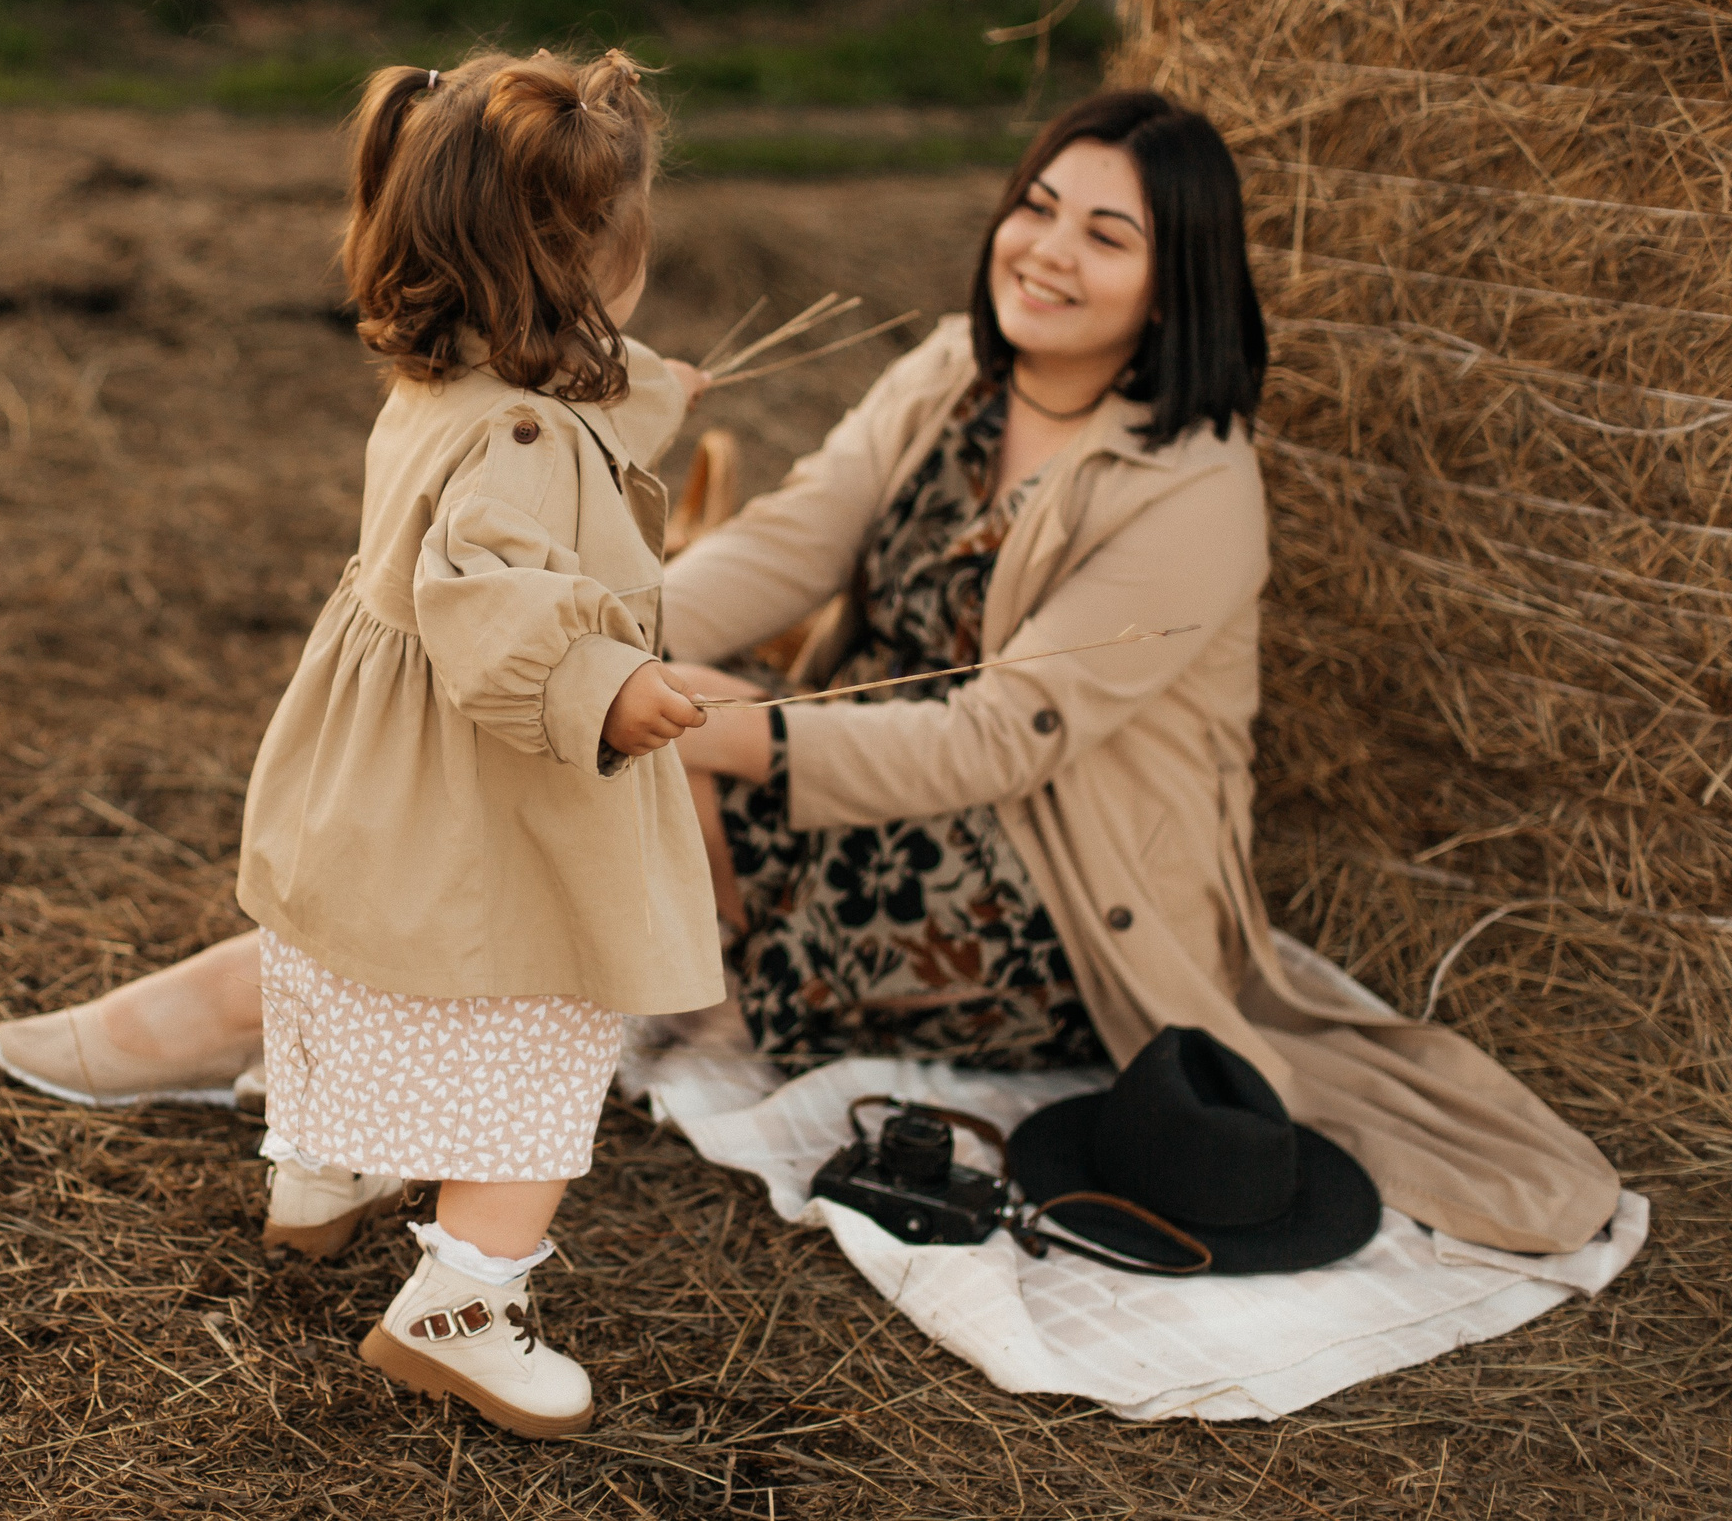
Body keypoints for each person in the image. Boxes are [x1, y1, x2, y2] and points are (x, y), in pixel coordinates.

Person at [661, 90, 1617, 1255]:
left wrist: (715, 730)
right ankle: (699, 930)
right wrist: (602, 636)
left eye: (1106, 238)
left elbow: (998, 740)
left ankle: (708, 950)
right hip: (863, 753)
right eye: (1038, 207)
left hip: (1051, 867)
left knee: (673, 772)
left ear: (1174, 286)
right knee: (644, 733)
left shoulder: (1194, 488)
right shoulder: (959, 367)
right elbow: (792, 537)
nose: (1048, 252)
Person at [0, 49, 727, 1438]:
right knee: (542, 1023)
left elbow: (552, 427)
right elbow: (494, 601)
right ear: (572, 280)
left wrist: (648, 390)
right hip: (488, 788)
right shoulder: (518, 429)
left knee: (356, 968)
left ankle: (320, 1175)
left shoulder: (452, 378)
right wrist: (606, 687)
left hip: (373, 781)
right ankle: (463, 1304)